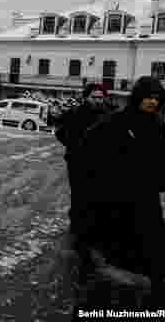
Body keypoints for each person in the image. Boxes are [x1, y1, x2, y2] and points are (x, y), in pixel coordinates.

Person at [85, 76, 165, 300]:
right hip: (121, 191)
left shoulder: (157, 123)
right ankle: (151, 278)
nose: (152, 102)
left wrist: (161, 184)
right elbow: (90, 141)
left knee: (155, 234)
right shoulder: (120, 120)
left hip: (146, 191)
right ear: (138, 98)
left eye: (156, 98)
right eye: (148, 97)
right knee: (131, 236)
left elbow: (161, 158)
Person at [55, 83, 111, 272]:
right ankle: (79, 233)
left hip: (102, 165)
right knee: (80, 196)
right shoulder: (75, 114)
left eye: (100, 97)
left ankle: (93, 230)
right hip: (78, 164)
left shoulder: (108, 115)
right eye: (94, 97)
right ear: (86, 97)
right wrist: (75, 146)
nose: (97, 100)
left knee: (98, 197)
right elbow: (60, 132)